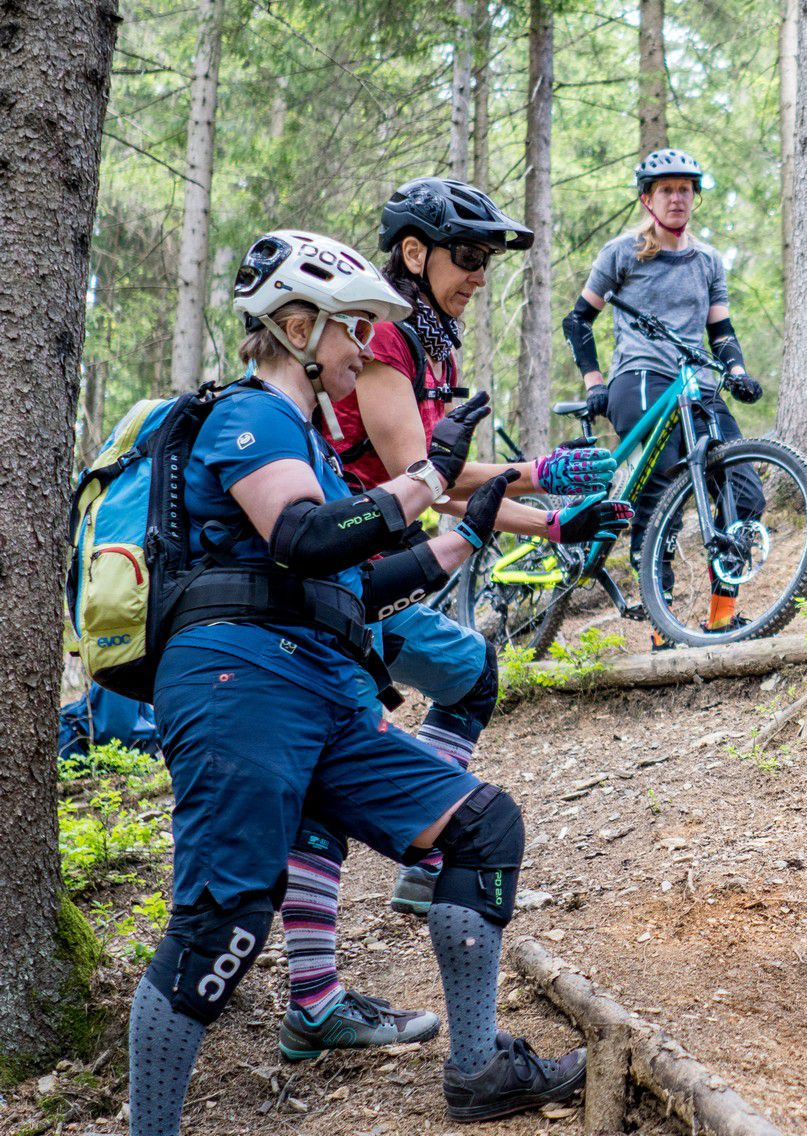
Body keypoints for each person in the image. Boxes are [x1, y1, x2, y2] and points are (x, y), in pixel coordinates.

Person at [129, 230, 585, 1135]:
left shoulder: (310, 442)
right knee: (222, 926)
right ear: (297, 328)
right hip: (239, 680)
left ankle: (478, 1068)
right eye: (350, 335)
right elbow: (302, 538)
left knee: (484, 829)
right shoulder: (246, 417)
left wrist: (469, 528)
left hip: (324, 685)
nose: (359, 353)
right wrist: (428, 478)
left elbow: (352, 585)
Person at [276, 178, 629, 1062]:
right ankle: (338, 970)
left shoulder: (428, 341)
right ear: (414, 254)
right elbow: (419, 474)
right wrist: (540, 473)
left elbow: (451, 487)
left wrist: (549, 513)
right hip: (344, 581)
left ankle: (411, 880)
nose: (479, 274)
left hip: (369, 578)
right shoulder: (388, 336)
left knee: (468, 674)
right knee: (351, 749)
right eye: (468, 257)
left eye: (484, 260)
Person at [561, 148, 766, 646]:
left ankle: (722, 614)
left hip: (696, 382)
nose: (677, 198)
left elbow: (721, 329)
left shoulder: (708, 261)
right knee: (662, 491)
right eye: (666, 190)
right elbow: (577, 321)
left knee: (745, 492)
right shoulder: (622, 252)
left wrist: (736, 369)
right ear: (647, 199)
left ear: (695, 198)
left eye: (685, 189)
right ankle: (661, 623)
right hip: (640, 378)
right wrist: (594, 383)